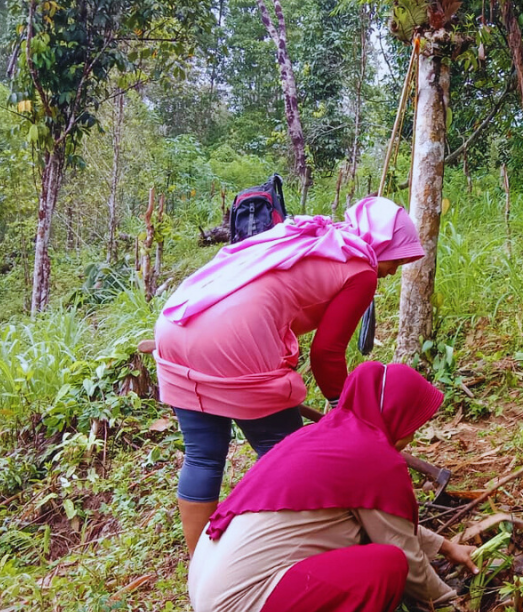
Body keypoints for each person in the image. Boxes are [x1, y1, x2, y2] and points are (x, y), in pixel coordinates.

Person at [154, 196, 425, 554]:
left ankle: (198, 564)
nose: (392, 272)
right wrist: (346, 410)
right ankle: (293, 547)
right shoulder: (360, 270)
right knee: (283, 451)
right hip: (235, 339)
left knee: (203, 455)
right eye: (397, 259)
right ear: (383, 245)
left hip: (178, 322)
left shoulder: (315, 239)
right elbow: (327, 354)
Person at [187, 361, 478, 612]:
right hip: (237, 607)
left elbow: (381, 519)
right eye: (413, 423)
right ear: (396, 414)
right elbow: (405, 556)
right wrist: (448, 600)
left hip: (209, 588)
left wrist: (446, 547)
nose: (412, 435)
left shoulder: (328, 438)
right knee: (387, 566)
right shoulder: (375, 459)